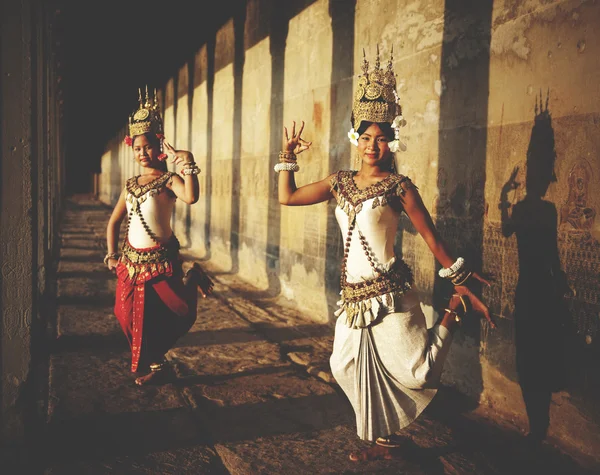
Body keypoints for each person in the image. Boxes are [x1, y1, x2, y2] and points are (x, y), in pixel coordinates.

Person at [276, 49, 495, 461]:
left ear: (391, 140)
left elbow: (432, 240)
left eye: (380, 137)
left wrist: (461, 280)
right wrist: (288, 155)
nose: (372, 144)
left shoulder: (400, 187)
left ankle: (451, 311)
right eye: (365, 137)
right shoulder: (339, 182)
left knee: (419, 372)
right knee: (343, 366)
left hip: (391, 294)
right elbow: (287, 197)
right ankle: (385, 440)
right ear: (355, 139)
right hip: (353, 299)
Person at [105, 87, 214, 386]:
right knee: (125, 313)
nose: (143, 153)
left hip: (160, 261)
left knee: (178, 311)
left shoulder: (169, 180)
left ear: (160, 147)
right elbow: (114, 222)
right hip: (130, 262)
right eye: (138, 149)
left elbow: (191, 197)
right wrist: (111, 255)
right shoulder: (130, 184)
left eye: (149, 147)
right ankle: (155, 363)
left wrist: (188, 161)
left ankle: (193, 279)